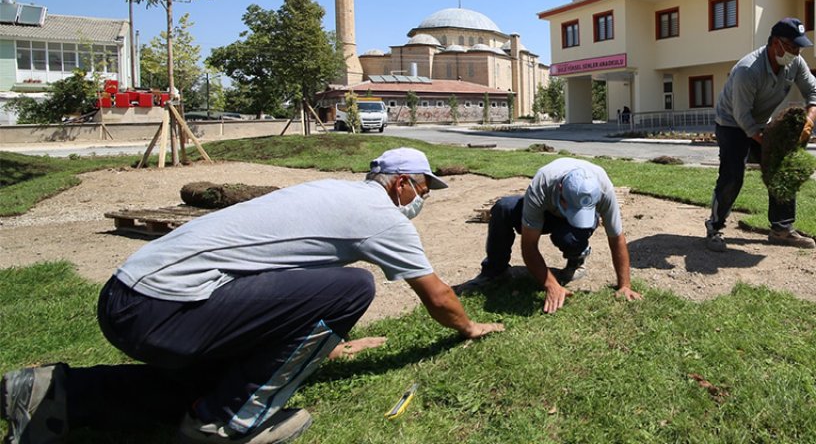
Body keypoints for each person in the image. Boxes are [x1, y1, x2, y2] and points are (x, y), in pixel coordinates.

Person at [1, 147, 503, 444]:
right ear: (399, 185)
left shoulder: (331, 191)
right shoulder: (380, 216)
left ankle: (53, 392)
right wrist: (470, 326)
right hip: (166, 308)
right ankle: (228, 421)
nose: (425, 197)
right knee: (354, 285)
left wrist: (319, 342)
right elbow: (436, 295)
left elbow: (276, 280)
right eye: (423, 187)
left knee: (210, 382)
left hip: (125, 297)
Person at [459, 158, 642, 314]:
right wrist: (550, 285)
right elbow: (529, 246)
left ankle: (577, 258)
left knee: (568, 237)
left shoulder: (603, 189)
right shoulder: (543, 183)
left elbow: (616, 238)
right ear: (561, 188)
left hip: (569, 223)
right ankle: (495, 271)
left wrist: (625, 285)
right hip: (547, 212)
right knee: (503, 208)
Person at [705, 17, 816, 252]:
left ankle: (781, 228)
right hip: (732, 123)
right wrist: (772, 142)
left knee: (783, 170)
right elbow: (743, 119)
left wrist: (809, 121)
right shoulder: (748, 70)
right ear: (775, 43)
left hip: (760, 121)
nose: (796, 51)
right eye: (791, 46)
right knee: (732, 176)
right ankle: (714, 227)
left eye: (799, 47)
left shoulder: (796, 63)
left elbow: (815, 93)